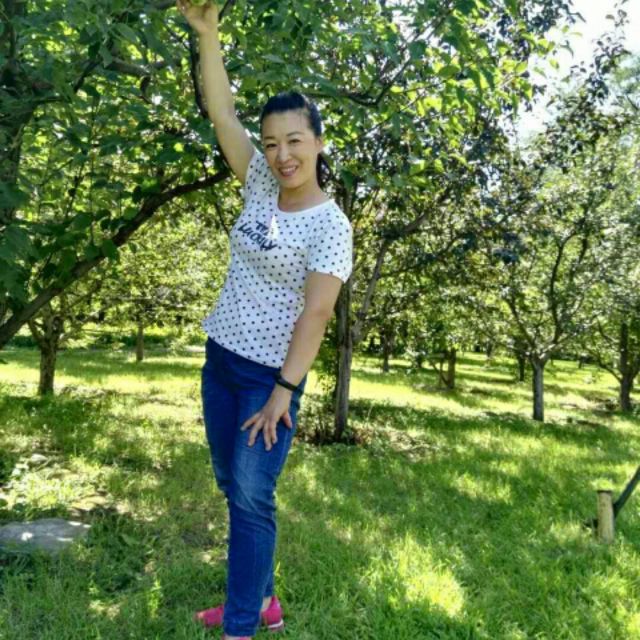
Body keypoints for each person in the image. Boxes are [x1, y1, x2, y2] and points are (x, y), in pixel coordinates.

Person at [177, 2, 353, 639]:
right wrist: (208, 35)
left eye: (294, 141)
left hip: (267, 379)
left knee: (253, 497)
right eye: (272, 142)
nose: (281, 155)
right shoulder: (257, 182)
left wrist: (284, 390)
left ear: (318, 142)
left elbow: (317, 312)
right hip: (221, 357)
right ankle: (263, 600)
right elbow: (223, 114)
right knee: (234, 485)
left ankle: (241, 626)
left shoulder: (331, 226)